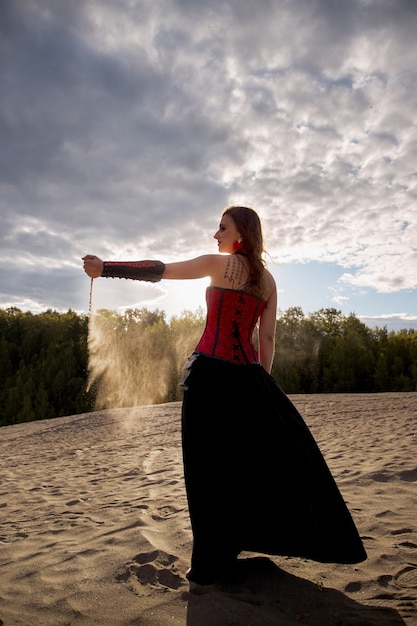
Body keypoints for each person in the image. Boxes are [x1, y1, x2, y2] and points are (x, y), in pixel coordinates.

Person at [83, 205, 366, 586]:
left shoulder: (217, 266)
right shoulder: (268, 281)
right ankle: (232, 551)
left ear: (241, 235)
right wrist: (261, 386)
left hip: (210, 378)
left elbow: (159, 269)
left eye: (222, 228)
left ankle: (209, 565)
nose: (215, 235)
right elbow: (267, 339)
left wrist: (106, 267)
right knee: (242, 468)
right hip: (248, 380)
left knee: (206, 472)